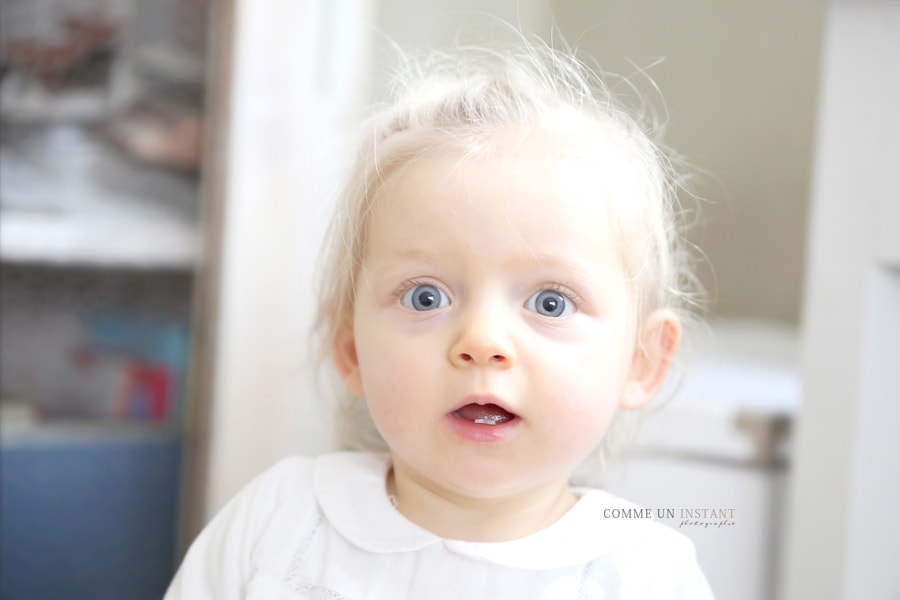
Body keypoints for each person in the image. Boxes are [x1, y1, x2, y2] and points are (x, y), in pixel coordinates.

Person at [165, 37, 714, 599]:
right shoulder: (278, 525)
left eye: (551, 302)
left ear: (641, 361)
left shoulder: (645, 575)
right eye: (425, 297)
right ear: (352, 348)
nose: (481, 341)